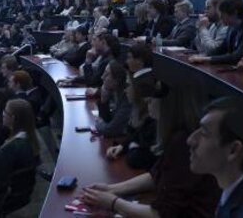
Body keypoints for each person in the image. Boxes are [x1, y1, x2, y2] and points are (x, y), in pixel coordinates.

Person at [83, 80, 219, 218]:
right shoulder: (176, 135)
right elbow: (156, 175)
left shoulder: (183, 142)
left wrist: (113, 202)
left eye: (154, 95)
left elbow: (161, 214)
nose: (148, 99)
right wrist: (111, 189)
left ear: (169, 104)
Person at [189, 0, 243, 65]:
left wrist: (206, 59)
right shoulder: (232, 28)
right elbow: (220, 50)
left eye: (223, 14)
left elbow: (237, 56)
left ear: (234, 13)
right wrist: (203, 56)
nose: (221, 17)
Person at [0, 99, 41, 212]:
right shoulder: (31, 139)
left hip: (7, 197)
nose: (2, 114)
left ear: (13, 118)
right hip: (20, 196)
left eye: (5, 112)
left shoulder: (12, 147)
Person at [95, 60, 132, 137]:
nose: (102, 77)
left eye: (107, 74)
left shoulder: (127, 99)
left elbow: (110, 130)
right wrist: (104, 100)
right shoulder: (114, 92)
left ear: (117, 80)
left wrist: (99, 123)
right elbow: (108, 121)